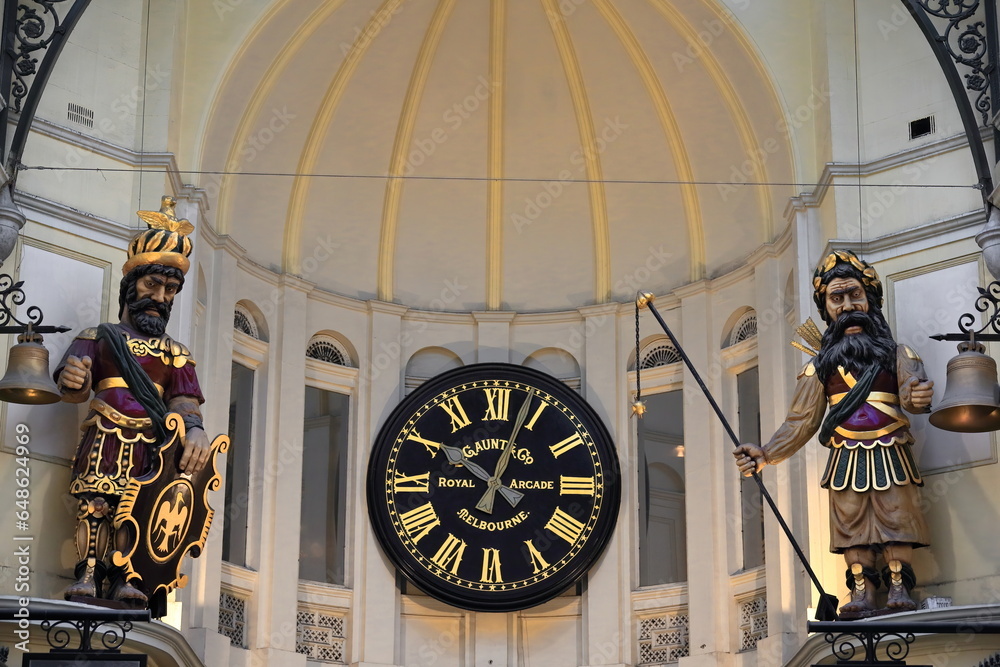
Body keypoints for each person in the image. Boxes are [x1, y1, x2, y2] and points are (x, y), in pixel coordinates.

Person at [734, 250, 933, 615]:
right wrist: (766, 453)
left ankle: (899, 589)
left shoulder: (897, 353)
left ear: (870, 300)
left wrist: (918, 396)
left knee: (897, 518)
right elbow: (801, 421)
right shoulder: (819, 368)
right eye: (836, 298)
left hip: (892, 451)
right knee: (851, 527)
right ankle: (860, 593)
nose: (847, 306)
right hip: (845, 458)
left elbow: (911, 395)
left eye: (855, 295)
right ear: (826, 309)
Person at [55, 199, 210, 603]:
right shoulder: (100, 335)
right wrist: (74, 377)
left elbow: (185, 400)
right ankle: (88, 572)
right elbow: (73, 386)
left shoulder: (177, 352)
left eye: (170, 290)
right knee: (96, 502)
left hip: (153, 445)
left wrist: (195, 430)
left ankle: (130, 577)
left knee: (138, 508)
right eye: (151, 285)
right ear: (131, 286)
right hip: (105, 431)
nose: (160, 297)